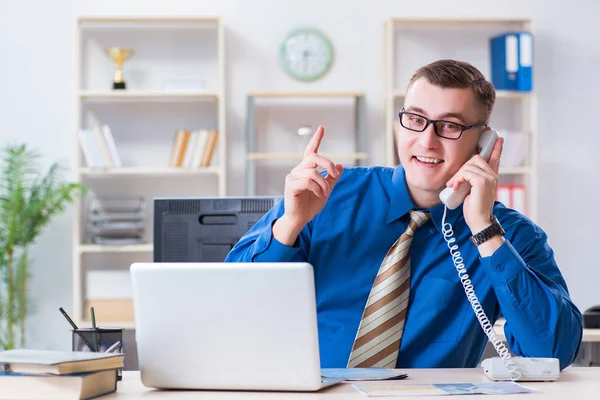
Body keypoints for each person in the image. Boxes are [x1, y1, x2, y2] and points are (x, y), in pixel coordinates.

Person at [225, 59, 583, 370]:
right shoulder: (326, 194)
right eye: (415, 119)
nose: (427, 141)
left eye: (450, 126)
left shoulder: (509, 234)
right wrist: (289, 224)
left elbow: (552, 353)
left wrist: (483, 230)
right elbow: (233, 305)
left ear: (483, 142)